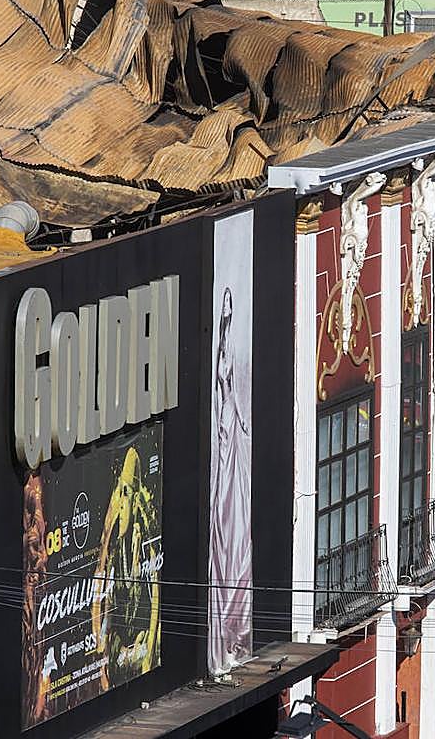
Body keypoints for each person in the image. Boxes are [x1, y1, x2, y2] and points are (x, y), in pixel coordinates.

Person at [209, 286, 253, 674]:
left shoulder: (234, 360)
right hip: (227, 450)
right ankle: (228, 631)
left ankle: (235, 630)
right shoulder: (222, 362)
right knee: (228, 537)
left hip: (234, 449)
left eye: (228, 313)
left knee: (237, 541)